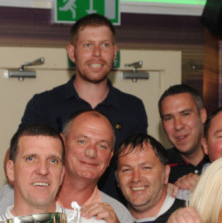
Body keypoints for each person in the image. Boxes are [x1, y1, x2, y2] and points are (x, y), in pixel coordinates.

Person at [0, 110, 136, 223]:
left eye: (102, 146)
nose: (91, 152)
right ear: (63, 143)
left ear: (110, 157)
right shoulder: (13, 194)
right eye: (82, 141)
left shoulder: (118, 215)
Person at [21, 13, 148, 201]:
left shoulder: (133, 108)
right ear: (72, 52)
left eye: (104, 45)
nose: (97, 53)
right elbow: (20, 158)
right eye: (88, 45)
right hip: (55, 215)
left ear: (115, 52)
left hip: (115, 217)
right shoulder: (43, 105)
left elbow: (142, 168)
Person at [115, 133, 185, 223]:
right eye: (126, 170)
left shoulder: (193, 217)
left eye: (146, 168)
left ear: (166, 173)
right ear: (117, 178)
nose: (136, 178)